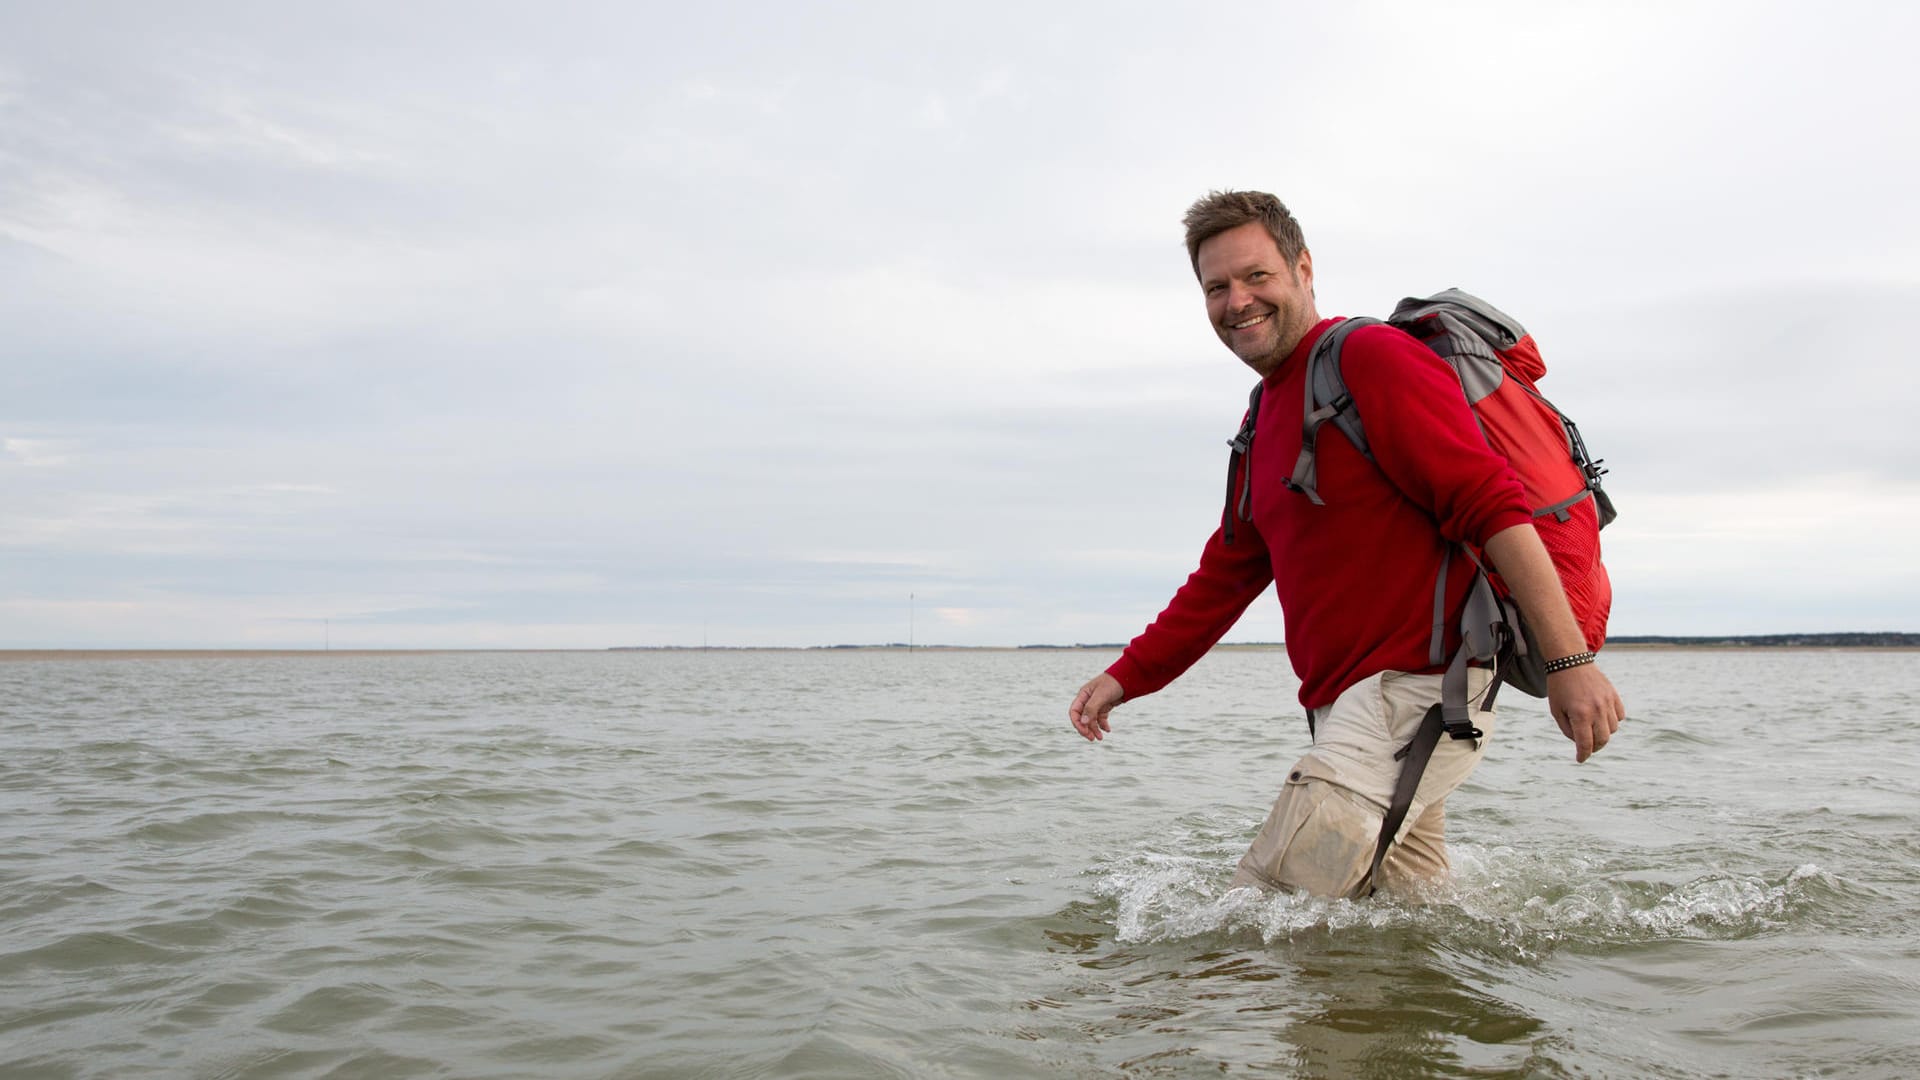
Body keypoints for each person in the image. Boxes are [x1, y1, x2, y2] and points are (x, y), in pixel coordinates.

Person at [1067, 190, 1624, 899]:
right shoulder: (1264, 413)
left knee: (1264, 908)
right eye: (1216, 287)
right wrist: (1127, 677)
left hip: (1418, 690)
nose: (1237, 301)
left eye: (1256, 276)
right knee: (1399, 929)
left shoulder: (1369, 357)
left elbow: (1492, 504)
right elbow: (1229, 571)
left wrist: (1569, 660)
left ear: (1302, 268)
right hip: (1344, 706)